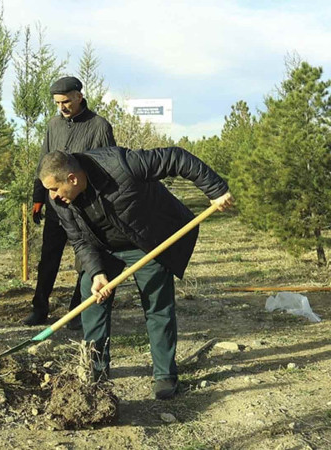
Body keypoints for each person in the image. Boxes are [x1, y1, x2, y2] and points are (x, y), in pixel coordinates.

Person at [38, 147, 233, 399]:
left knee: (157, 303)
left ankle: (165, 375)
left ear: (72, 179)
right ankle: (96, 373)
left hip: (148, 241)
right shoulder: (60, 201)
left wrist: (215, 190)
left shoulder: (121, 165)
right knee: (91, 296)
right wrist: (97, 272)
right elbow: (79, 240)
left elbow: (176, 157)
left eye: (55, 189)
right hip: (102, 248)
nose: (52, 196)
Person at [25, 76, 116, 328]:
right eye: (57, 103)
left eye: (65, 101)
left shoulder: (99, 126)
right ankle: (39, 309)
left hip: (85, 209)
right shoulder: (53, 125)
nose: (61, 107)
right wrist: (37, 198)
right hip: (55, 205)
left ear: (79, 96)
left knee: (85, 261)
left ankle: (77, 312)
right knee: (48, 260)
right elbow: (43, 163)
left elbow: (109, 165)